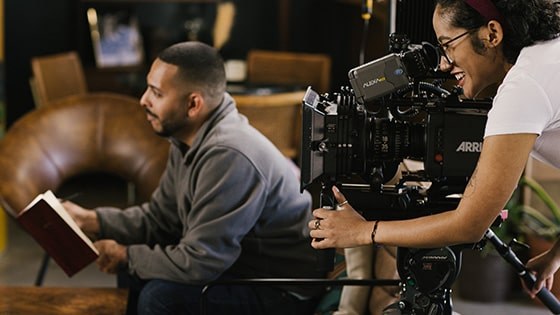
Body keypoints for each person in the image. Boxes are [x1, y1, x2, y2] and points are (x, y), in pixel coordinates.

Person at [308, 0, 560, 300]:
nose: (443, 64)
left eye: (448, 45)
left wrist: (364, 232)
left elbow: (470, 225)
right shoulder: (545, 56)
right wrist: (556, 254)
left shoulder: (524, 86)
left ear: (492, 34)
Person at [64, 41, 325, 315]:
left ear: (192, 104)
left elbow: (202, 261)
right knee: (136, 273)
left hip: (281, 289)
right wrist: (92, 220)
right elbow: (161, 220)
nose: (143, 100)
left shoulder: (228, 155)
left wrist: (126, 256)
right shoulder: (188, 138)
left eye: (156, 93)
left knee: (160, 297)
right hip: (239, 267)